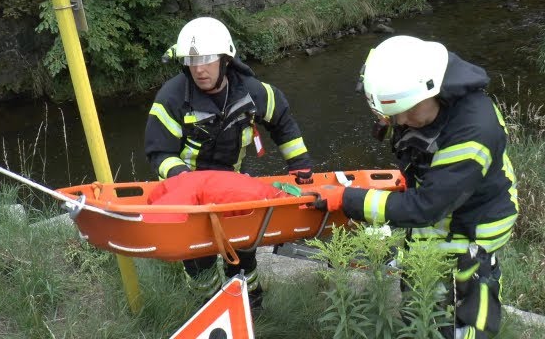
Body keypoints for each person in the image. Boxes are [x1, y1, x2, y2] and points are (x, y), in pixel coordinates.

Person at [312, 36, 518, 339]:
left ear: (433, 91)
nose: (401, 121)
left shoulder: (472, 132)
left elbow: (426, 208)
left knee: (459, 308)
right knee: (417, 292)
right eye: (393, 115)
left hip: (475, 226)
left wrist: (348, 199)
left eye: (407, 112)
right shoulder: (419, 86)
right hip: (445, 207)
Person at [145, 17, 313, 307]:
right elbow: (159, 153)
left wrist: (300, 165)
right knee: (199, 257)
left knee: (244, 250)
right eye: (191, 60)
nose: (199, 68)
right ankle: (207, 307)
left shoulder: (252, 92)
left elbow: (281, 118)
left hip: (233, 188)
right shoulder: (171, 99)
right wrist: (185, 179)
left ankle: (250, 302)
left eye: (208, 59)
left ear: (225, 59)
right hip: (189, 194)